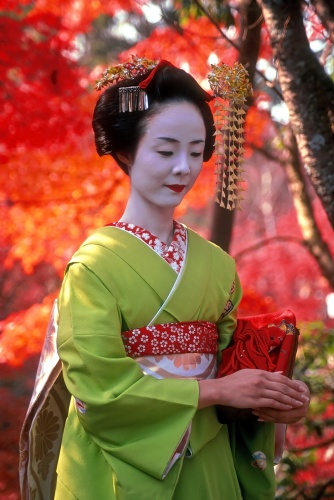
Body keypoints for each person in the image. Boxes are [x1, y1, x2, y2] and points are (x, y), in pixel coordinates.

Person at [21, 58, 310, 500]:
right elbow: (99, 391)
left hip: (211, 459)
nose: (183, 168)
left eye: (196, 152)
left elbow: (236, 373)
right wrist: (213, 390)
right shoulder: (93, 266)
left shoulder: (217, 266)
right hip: (121, 466)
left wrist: (271, 398)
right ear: (126, 151)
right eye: (166, 150)